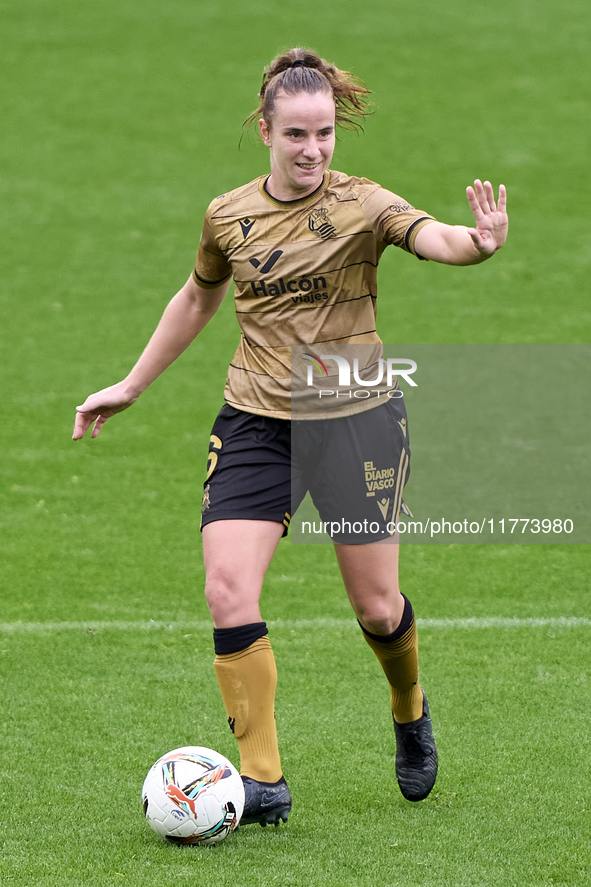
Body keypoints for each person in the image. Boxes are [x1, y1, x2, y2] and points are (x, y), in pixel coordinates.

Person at [73, 48, 508, 826]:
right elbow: (197, 297)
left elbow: (431, 236)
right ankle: (262, 778)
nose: (312, 150)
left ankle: (409, 708)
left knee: (376, 607)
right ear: (265, 130)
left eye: (325, 134)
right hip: (256, 421)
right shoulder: (227, 215)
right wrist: (131, 383)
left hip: (357, 421)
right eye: (297, 135)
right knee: (226, 588)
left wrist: (474, 242)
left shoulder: (363, 203)